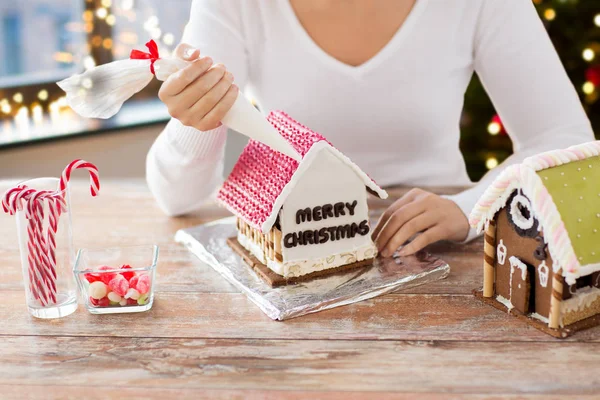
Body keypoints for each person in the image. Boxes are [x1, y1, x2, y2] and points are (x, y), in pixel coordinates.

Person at [147, 0, 593, 257]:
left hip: (442, 256)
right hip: (293, 248)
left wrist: (472, 208)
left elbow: (565, 139)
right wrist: (197, 119)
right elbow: (177, 199)